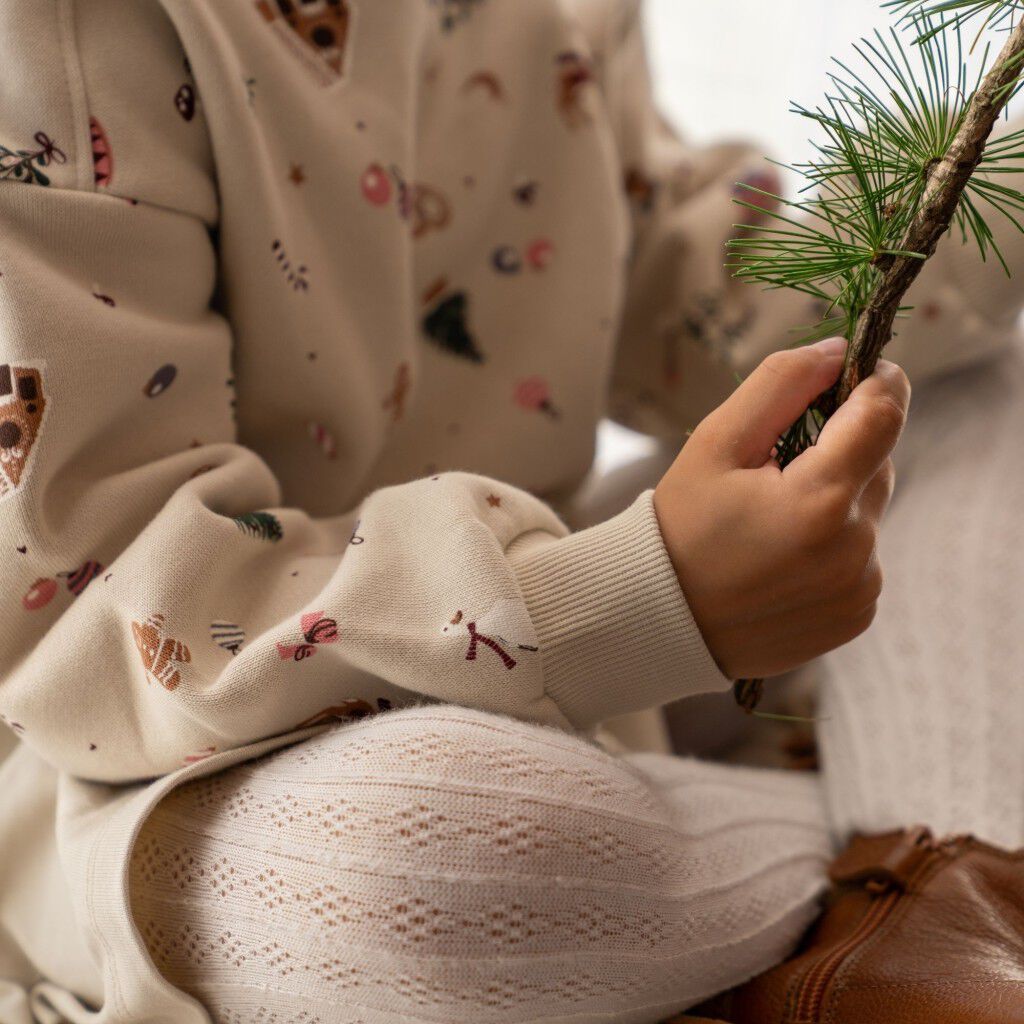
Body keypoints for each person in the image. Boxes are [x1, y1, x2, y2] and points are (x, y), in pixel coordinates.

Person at [0, 1, 1022, 1022]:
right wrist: (632, 601)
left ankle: (928, 908)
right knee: (426, 866)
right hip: (133, 771)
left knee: (981, 393)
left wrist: (997, 176)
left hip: (571, 665)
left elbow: (687, 285)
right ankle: (914, 833)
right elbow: (98, 609)